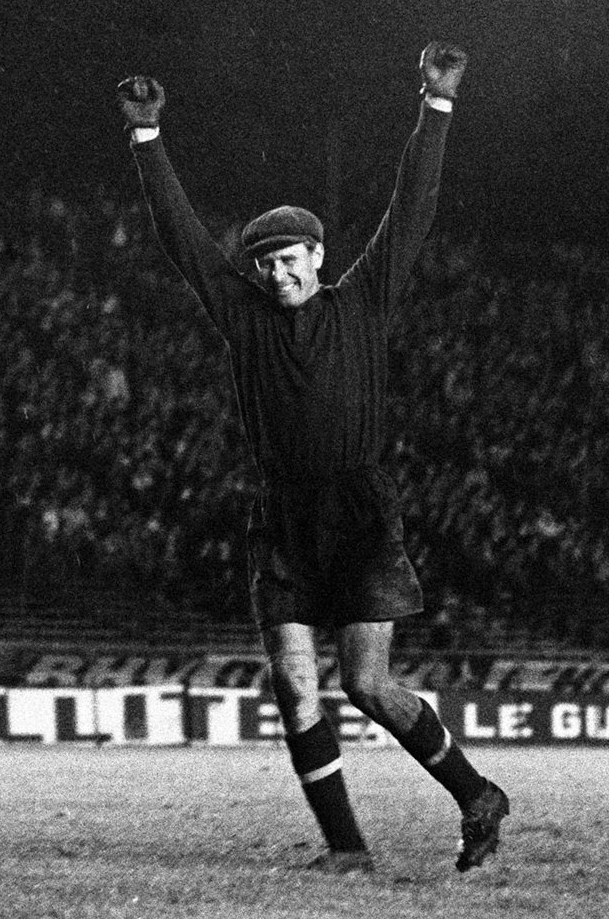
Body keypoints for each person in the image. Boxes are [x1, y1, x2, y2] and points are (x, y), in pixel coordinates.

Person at [117, 42, 509, 874]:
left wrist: (436, 106)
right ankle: (346, 848)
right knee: (294, 685)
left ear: (317, 257)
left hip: (360, 511)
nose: (276, 273)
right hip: (283, 517)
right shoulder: (244, 316)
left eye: (289, 259)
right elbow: (183, 238)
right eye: (264, 263)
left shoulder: (361, 301)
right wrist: (147, 137)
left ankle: (478, 794)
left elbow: (411, 208)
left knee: (368, 686)